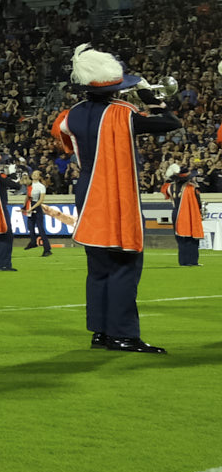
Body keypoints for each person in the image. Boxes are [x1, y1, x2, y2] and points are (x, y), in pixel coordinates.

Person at [65, 50, 178, 353]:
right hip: (115, 191)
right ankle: (123, 334)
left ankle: (100, 332)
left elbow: (61, 132)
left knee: (98, 266)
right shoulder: (123, 112)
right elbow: (169, 123)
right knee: (125, 263)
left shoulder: (72, 114)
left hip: (87, 191)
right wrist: (152, 100)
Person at [165, 163, 203, 267]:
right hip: (189, 213)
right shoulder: (192, 187)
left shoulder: (170, 187)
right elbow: (198, 202)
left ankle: (183, 261)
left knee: (181, 239)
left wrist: (168, 178)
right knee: (192, 237)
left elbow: (164, 192)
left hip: (176, 213)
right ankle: (193, 260)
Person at [21, 170, 52, 257]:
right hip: (30, 204)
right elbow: (27, 196)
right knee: (30, 226)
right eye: (33, 174)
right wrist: (24, 206)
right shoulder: (30, 185)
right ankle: (33, 242)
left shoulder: (41, 186)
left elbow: (41, 200)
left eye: (36, 174)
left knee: (40, 229)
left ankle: (47, 249)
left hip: (36, 206)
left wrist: (32, 208)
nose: (34, 175)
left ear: (39, 177)